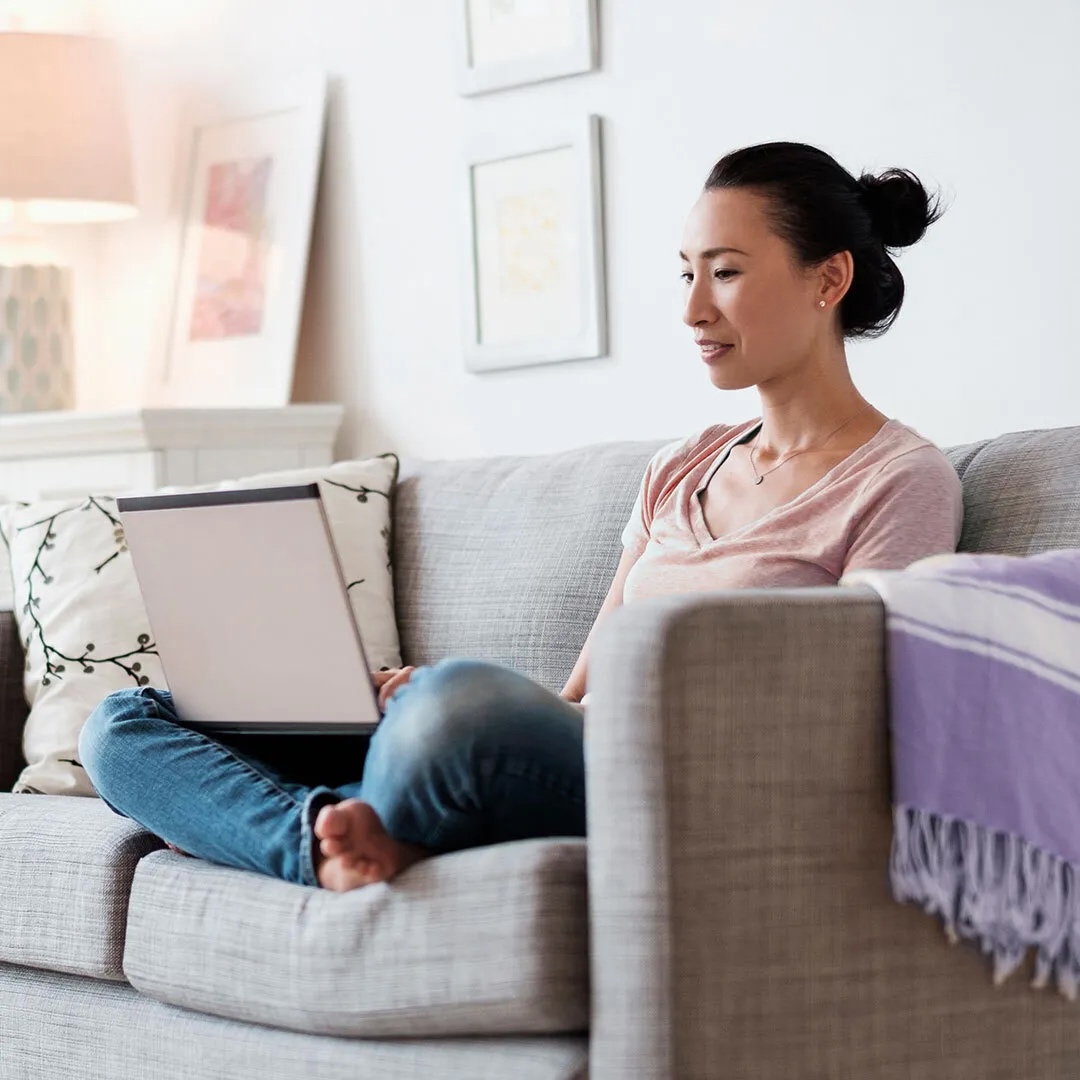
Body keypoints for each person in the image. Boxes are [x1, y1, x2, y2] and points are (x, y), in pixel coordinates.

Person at [79, 141, 963, 893]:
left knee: (457, 706)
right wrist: (412, 694)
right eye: (687, 273)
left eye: (725, 273)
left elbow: (856, 722)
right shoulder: (682, 465)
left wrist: (457, 700)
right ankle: (325, 841)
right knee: (123, 725)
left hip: (676, 781)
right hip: (555, 748)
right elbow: (575, 696)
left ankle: (368, 812)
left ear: (829, 279)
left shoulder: (900, 480)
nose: (692, 308)